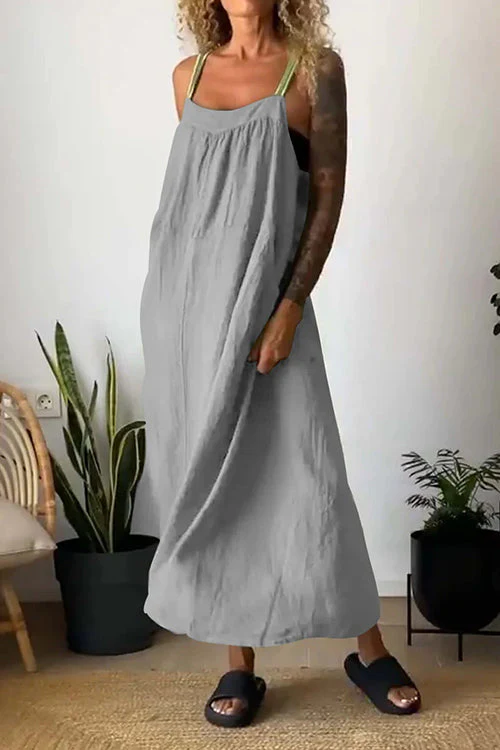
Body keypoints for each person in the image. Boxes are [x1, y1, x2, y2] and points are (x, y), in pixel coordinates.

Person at [139, 0, 421, 728]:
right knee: (212, 477)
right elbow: (201, 210)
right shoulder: (186, 76)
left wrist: (291, 305)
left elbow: (325, 199)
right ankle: (239, 664)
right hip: (184, 312)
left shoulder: (315, 71)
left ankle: (369, 648)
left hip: (269, 308)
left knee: (311, 470)